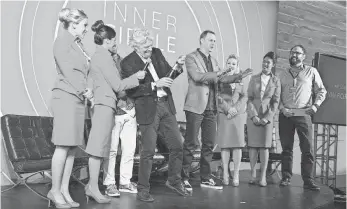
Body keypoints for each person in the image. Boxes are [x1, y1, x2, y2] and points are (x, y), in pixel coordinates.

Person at [121, 28, 189, 202]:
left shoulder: (157, 53)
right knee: (148, 151)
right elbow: (131, 91)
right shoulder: (127, 62)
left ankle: (174, 180)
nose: (149, 49)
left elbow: (168, 75)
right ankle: (143, 188)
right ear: (135, 46)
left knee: (177, 146)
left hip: (166, 105)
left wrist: (178, 66)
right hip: (148, 108)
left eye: (150, 45)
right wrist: (154, 85)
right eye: (145, 46)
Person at [182, 30, 252, 191]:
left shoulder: (213, 60)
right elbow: (198, 77)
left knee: (208, 144)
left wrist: (237, 76)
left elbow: (221, 79)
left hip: (211, 108)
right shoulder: (191, 57)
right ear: (201, 40)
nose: (213, 43)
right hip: (195, 106)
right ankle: (184, 177)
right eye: (210, 40)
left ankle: (205, 178)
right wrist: (220, 73)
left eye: (215, 41)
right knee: (191, 143)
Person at [84, 20, 145, 204]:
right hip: (104, 104)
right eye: (114, 40)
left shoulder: (100, 56)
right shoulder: (103, 57)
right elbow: (118, 86)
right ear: (108, 41)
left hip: (105, 104)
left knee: (101, 149)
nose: (115, 44)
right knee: (98, 150)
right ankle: (93, 187)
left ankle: (92, 187)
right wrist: (137, 78)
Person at [48, 8, 93, 209]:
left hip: (77, 100)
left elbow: (83, 72)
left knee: (72, 148)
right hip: (66, 97)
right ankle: (54, 190)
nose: (86, 29)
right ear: (73, 24)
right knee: (62, 146)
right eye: (84, 25)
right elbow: (68, 71)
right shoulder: (62, 41)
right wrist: (85, 90)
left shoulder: (78, 45)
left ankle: (64, 189)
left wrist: (87, 89)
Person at [276, 45, 326, 190]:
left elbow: (322, 90)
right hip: (286, 114)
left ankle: (308, 180)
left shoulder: (311, 71)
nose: (294, 55)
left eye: (298, 53)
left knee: (307, 148)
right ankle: (286, 177)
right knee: (286, 148)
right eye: (292, 52)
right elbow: (276, 96)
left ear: (304, 56)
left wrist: (315, 106)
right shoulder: (282, 74)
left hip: (303, 114)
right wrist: (282, 108)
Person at [101, 24, 138, 197]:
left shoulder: (123, 62)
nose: (114, 46)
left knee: (129, 149)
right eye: (112, 43)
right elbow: (116, 88)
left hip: (130, 110)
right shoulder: (102, 63)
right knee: (112, 150)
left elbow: (128, 86)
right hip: (113, 111)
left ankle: (125, 182)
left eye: (116, 43)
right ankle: (109, 184)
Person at [246, 51, 281, 187]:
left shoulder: (276, 81)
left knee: (264, 147)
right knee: (253, 147)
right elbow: (248, 98)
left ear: (273, 65)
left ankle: (262, 177)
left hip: (267, 117)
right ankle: (253, 174)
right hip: (253, 116)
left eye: (268, 62)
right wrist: (253, 115)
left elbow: (276, 101)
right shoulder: (254, 78)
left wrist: (267, 117)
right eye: (264, 61)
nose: (265, 64)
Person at [217, 54, 248, 187]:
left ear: (237, 66)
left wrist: (235, 109)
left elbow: (244, 97)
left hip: (238, 115)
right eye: (229, 63)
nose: (231, 65)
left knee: (237, 145)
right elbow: (217, 96)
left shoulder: (241, 80)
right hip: (224, 114)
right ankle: (225, 173)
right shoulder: (220, 79)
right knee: (225, 144)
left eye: (233, 63)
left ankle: (236, 174)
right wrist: (228, 109)